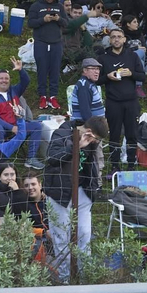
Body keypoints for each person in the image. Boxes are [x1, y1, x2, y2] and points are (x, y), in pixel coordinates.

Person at [42, 120, 103, 283]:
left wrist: (94, 188)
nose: (96, 142)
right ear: (88, 131)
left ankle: (85, 279)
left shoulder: (93, 142)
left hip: (83, 192)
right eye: (96, 139)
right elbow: (52, 158)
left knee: (84, 235)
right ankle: (64, 281)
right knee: (61, 238)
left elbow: (93, 165)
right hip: (60, 194)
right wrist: (77, 145)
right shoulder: (61, 134)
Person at [95, 27, 146, 169]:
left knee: (132, 134)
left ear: (124, 39)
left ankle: (131, 164)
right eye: (113, 37)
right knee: (114, 135)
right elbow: (97, 80)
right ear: (109, 40)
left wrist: (131, 73)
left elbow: (142, 76)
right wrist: (108, 77)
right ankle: (114, 166)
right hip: (113, 102)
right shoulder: (103, 58)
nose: (116, 39)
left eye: (119, 36)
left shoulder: (132, 56)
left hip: (131, 102)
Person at [27, 0, 69, 109]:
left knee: (55, 70)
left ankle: (53, 97)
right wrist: (43, 20)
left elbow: (66, 23)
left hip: (56, 42)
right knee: (42, 69)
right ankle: (42, 96)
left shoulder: (60, 7)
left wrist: (58, 19)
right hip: (41, 42)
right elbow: (30, 23)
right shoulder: (36, 6)